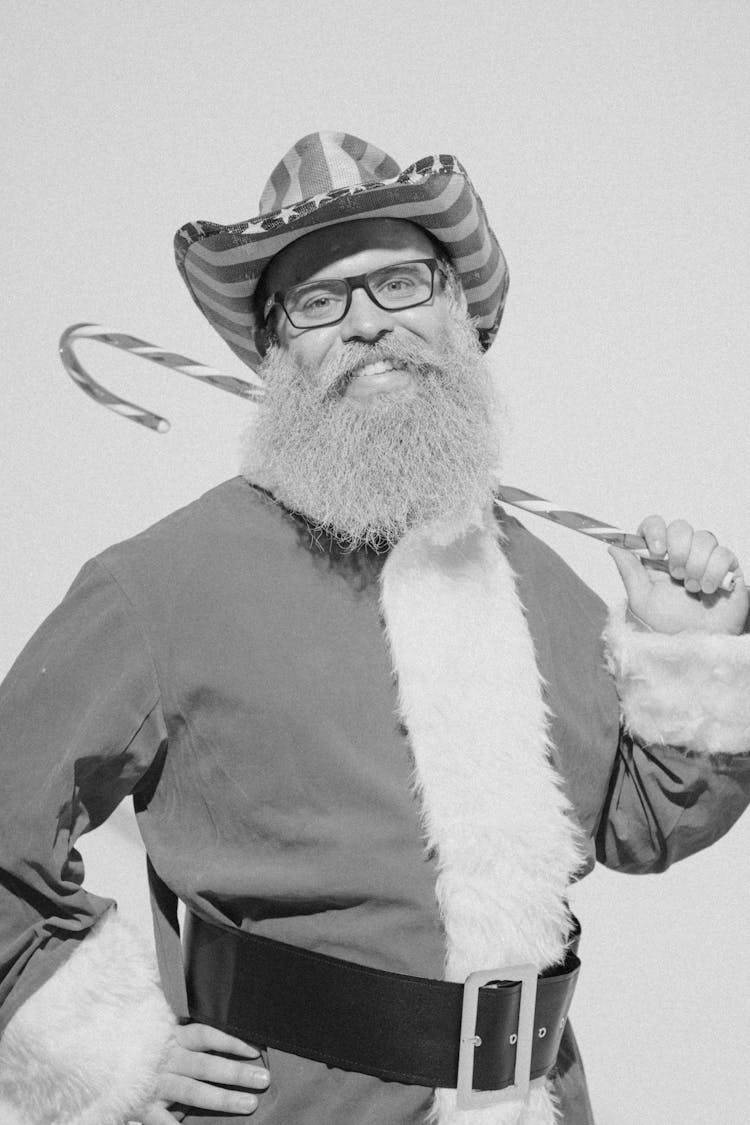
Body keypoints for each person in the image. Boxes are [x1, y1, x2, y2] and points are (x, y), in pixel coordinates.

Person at [0, 131, 748, 1125]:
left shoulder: (527, 570)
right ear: (277, 350)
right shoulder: (159, 585)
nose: (366, 324)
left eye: (401, 282)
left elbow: (641, 823)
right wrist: (106, 1051)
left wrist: (683, 653)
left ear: (460, 314)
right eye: (318, 301)